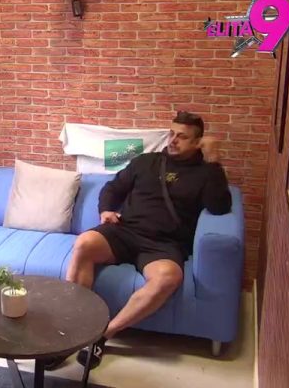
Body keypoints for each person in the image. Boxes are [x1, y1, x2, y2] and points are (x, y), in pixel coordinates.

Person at [45, 111, 232, 371]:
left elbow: (220, 206)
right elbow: (113, 188)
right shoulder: (146, 162)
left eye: (182, 137)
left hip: (164, 243)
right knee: (85, 243)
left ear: (197, 142)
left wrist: (214, 162)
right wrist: (106, 209)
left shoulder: (206, 173)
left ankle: (102, 336)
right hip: (125, 231)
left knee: (168, 277)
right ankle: (71, 331)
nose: (173, 140)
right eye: (171, 133)